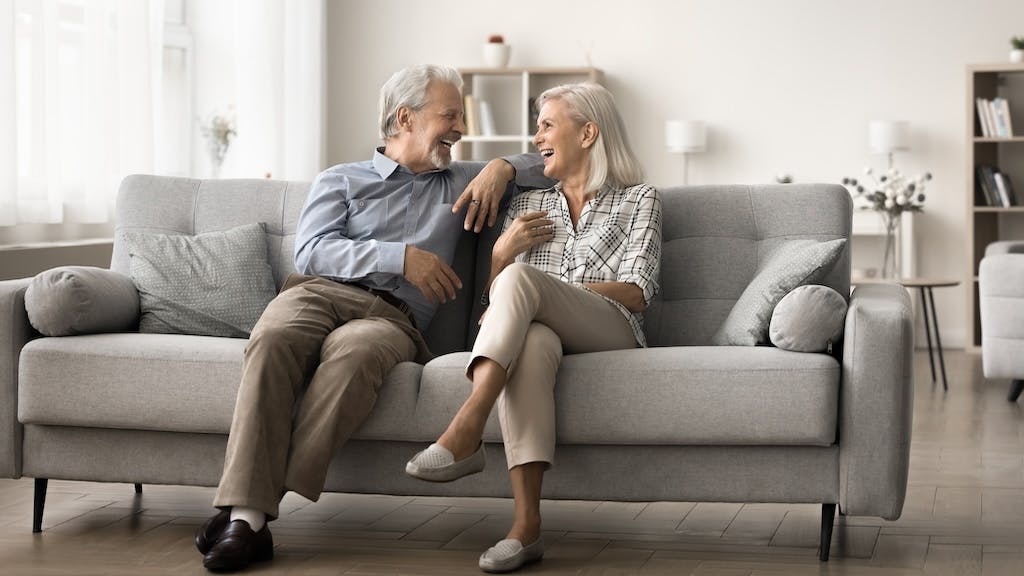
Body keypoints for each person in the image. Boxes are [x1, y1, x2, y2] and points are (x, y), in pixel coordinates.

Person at [195, 64, 552, 573]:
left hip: (391, 317)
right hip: (316, 293)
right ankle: (248, 517)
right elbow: (313, 252)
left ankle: (246, 511)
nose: (460, 128)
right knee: (272, 339)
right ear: (404, 118)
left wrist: (502, 167)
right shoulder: (341, 178)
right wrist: (400, 257)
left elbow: (553, 163)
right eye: (449, 114)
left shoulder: (464, 180)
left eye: (462, 116)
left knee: (356, 358)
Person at [405, 82, 662, 573]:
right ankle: (526, 529)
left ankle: (467, 426)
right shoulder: (526, 207)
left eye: (547, 125)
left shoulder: (639, 199)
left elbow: (636, 292)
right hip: (544, 329)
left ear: (588, 133)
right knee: (533, 340)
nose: (537, 137)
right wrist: (500, 256)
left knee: (527, 284)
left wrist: (547, 290)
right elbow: (493, 312)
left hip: (612, 329)